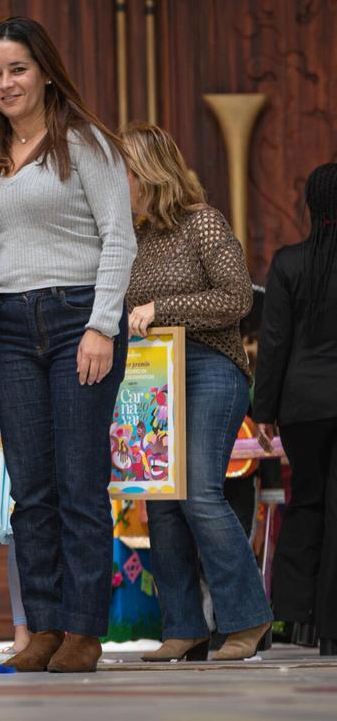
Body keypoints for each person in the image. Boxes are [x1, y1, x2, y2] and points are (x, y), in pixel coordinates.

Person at [0, 16, 136, 673]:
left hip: (77, 320)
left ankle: (83, 631)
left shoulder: (84, 143)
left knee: (79, 482)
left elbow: (119, 238)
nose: (6, 82)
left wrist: (102, 324)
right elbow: (0, 249)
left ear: (43, 70)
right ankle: (40, 626)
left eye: (17, 68)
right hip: (10, 327)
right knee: (31, 487)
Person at [120, 123, 271, 661]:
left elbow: (237, 299)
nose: (120, 182)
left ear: (149, 172)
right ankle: (184, 627)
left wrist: (162, 310)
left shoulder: (201, 223)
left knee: (199, 494)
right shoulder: (130, 237)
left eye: (126, 171)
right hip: (151, 377)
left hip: (211, 367)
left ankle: (248, 620)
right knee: (158, 503)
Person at [253, 162, 337, 658]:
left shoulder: (289, 263)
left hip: (303, 406)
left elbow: (275, 343)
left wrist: (264, 410)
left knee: (305, 503)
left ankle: (293, 619)